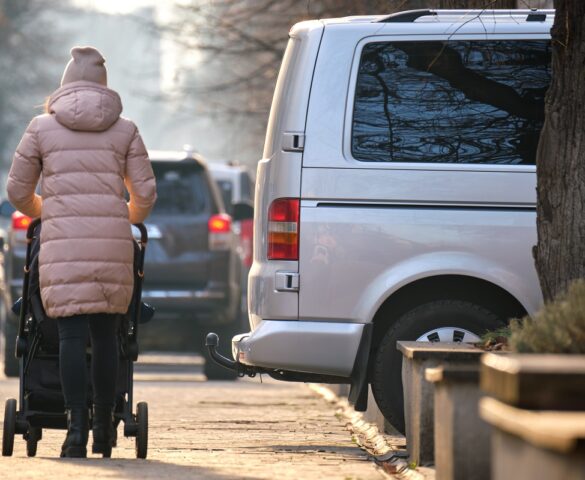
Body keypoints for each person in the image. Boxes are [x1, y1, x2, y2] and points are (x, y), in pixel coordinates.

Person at [6, 46, 157, 458]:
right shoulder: (125, 129)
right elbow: (145, 192)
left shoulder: (41, 127)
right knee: (106, 334)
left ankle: (75, 431)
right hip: (112, 242)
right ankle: (104, 427)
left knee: (71, 334)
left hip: (61, 243)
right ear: (104, 87)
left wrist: (45, 211)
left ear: (65, 85)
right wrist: (124, 215)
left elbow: (18, 191)